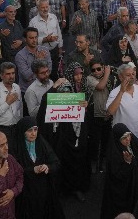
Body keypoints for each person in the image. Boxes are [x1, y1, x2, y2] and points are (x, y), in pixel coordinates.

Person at [36, 63, 91, 202]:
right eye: (62, 92)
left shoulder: (77, 103)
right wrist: (54, 88)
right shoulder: (51, 105)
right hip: (58, 143)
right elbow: (44, 105)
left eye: (68, 92)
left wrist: (84, 109)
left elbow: (84, 123)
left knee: (76, 164)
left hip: (74, 142)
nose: (65, 95)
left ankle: (76, 189)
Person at [9, 116, 65, 219]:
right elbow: (13, 171)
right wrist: (32, 170)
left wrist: (47, 167)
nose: (33, 133)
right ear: (22, 131)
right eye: (29, 130)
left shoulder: (40, 142)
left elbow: (56, 162)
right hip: (25, 190)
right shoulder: (15, 146)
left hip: (43, 189)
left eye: (35, 130)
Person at [101, 123, 138, 217]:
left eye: (129, 135)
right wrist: (127, 163)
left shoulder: (132, 143)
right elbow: (118, 177)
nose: (128, 139)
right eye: (124, 138)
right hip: (127, 192)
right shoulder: (114, 155)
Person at [106, 62, 138, 142]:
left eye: (133, 74)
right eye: (128, 75)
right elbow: (110, 112)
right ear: (120, 77)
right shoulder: (114, 92)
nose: (132, 77)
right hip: (122, 137)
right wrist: (121, 92)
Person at [0, 62, 22, 139]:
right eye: (8, 74)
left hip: (16, 127)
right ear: (1, 76)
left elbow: (20, 108)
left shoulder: (17, 87)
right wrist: (7, 103)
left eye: (13, 73)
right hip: (0, 129)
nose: (11, 76)